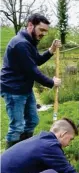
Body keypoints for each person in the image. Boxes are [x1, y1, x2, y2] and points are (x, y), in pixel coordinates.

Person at [0, 13, 62, 149]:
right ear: (30, 26)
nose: (44, 34)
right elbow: (32, 71)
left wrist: (51, 50)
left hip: (24, 88)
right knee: (17, 126)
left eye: (46, 31)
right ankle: (8, 160)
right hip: (13, 90)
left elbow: (37, 61)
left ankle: (23, 150)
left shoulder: (29, 41)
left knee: (32, 120)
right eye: (41, 30)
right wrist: (51, 82)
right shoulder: (21, 44)